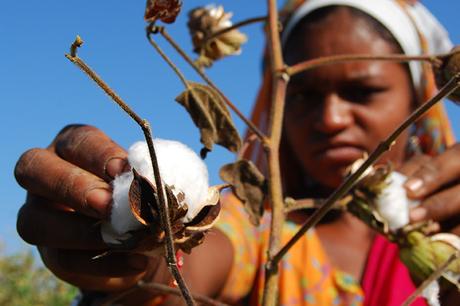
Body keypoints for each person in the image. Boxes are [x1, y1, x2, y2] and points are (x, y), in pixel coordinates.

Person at [14, 0, 460, 305]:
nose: (331, 119)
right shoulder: (259, 228)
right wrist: (136, 251)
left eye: (362, 91)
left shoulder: (449, 227)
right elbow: (205, 255)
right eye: (303, 95)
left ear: (418, 102)